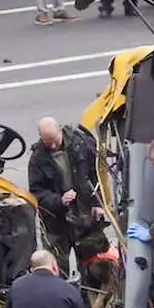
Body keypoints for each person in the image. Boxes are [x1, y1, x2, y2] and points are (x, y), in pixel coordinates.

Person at [28, 117, 108, 277]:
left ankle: (89, 297)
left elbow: (97, 174)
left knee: (93, 267)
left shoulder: (81, 144)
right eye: (47, 142)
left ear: (60, 129)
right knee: (57, 267)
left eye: (54, 140)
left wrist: (98, 203)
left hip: (84, 216)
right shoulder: (38, 159)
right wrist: (59, 200)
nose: (52, 145)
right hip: (57, 222)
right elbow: (37, 192)